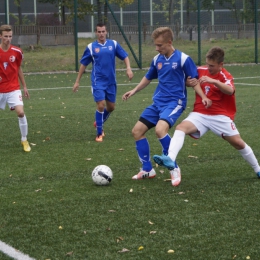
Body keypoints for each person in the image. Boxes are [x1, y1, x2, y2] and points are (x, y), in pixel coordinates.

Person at [153, 46, 260, 186]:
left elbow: (230, 90)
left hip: (220, 116)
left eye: (212, 66)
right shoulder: (201, 70)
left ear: (221, 64)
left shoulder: (225, 76)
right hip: (200, 114)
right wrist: (188, 82)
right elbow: (186, 79)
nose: (208, 68)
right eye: (207, 64)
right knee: (180, 128)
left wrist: (213, 81)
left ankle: (257, 169)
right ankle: (170, 159)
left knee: (238, 143)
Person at [122, 27, 211, 185]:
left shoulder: (183, 59)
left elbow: (194, 81)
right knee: (137, 131)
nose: (157, 48)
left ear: (169, 43)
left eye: (160, 45)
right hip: (158, 102)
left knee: (160, 130)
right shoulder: (157, 60)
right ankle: (147, 169)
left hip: (175, 102)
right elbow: (148, 77)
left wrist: (203, 96)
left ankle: (174, 167)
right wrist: (134, 90)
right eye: (156, 45)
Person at [73, 23, 133, 142]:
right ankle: (99, 133)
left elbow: (125, 56)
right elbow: (83, 64)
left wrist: (128, 68)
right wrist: (77, 81)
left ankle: (98, 122)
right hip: (98, 81)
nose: (101, 34)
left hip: (111, 81)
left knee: (111, 108)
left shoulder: (113, 44)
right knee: (101, 105)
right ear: (96, 33)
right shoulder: (91, 47)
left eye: (103, 31)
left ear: (106, 32)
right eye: (99, 32)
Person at [0, 24, 31, 152]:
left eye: (10, 36)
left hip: (13, 88)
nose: (8, 39)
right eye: (6, 36)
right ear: (0, 36)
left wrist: (24, 86)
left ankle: (24, 139)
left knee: (21, 112)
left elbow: (18, 68)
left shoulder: (17, 52)